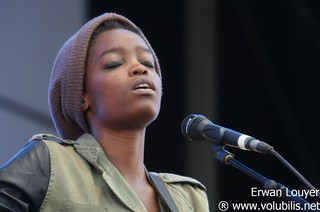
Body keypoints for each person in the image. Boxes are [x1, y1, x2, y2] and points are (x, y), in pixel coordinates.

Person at [0, 12, 209, 211]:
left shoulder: (189, 197)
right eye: (114, 63)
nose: (140, 68)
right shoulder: (50, 162)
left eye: (148, 62)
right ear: (82, 96)